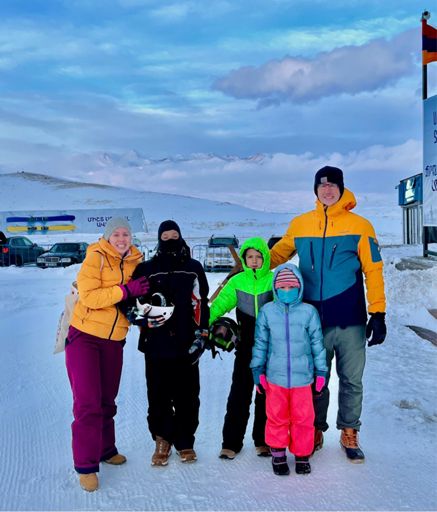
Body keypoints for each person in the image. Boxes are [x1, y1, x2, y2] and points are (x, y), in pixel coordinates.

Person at [269, 166, 387, 463]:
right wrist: (251, 260)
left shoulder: (361, 226)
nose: (327, 190)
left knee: (351, 379)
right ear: (315, 190)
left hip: (349, 318)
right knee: (313, 378)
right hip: (312, 320)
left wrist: (378, 312)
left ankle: (349, 430)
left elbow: (373, 270)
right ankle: (314, 429)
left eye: (333, 185)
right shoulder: (300, 224)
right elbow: (277, 255)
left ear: (341, 188)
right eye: (322, 185)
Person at [66, 217, 149, 492]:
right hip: (85, 336)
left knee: (106, 400)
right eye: (116, 234)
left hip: (114, 340)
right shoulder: (96, 257)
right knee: (87, 403)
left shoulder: (137, 262)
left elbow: (138, 299)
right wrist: (125, 291)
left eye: (126, 234)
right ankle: (86, 465)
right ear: (107, 237)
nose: (122, 239)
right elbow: (90, 297)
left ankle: (105, 449)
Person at [124, 220, 209, 467]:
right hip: (156, 344)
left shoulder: (193, 268)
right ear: (159, 240)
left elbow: (201, 303)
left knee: (188, 395)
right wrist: (141, 318)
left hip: (186, 342)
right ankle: (162, 439)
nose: (170, 240)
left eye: (174, 236)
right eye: (165, 236)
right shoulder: (146, 269)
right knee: (158, 394)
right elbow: (130, 302)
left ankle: (185, 441)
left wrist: (202, 334)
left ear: (181, 237)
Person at [251, 264, 328, 476]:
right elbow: (260, 344)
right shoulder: (267, 312)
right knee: (276, 416)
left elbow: (317, 345)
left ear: (299, 287)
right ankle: (278, 453)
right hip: (275, 378)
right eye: (282, 287)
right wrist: (258, 371)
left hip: (303, 379)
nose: (287, 291)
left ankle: (302, 455)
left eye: (291, 287)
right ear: (275, 288)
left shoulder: (308, 312)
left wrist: (321, 373)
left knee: (303, 418)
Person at [209, 237, 273, 459]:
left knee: (266, 395)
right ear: (244, 259)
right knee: (239, 394)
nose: (254, 261)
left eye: (258, 257)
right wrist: (203, 324)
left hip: (270, 349)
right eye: (250, 257)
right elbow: (219, 305)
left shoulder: (273, 280)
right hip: (245, 347)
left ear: (265, 259)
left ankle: (263, 440)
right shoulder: (237, 282)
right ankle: (231, 442)